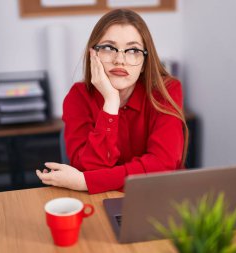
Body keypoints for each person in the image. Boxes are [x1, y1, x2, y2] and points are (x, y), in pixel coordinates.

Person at [36, 9, 188, 194]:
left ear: (144, 62)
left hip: (161, 195)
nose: (120, 60)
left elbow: (162, 167)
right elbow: (89, 169)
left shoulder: (167, 91)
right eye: (108, 48)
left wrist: (86, 182)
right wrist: (110, 104)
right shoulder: (78, 96)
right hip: (100, 200)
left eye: (133, 50)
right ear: (94, 55)